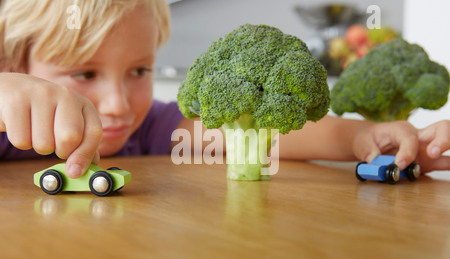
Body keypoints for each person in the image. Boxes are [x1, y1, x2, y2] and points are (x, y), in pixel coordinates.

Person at [0, 0, 448, 179]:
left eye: (139, 71)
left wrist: (358, 140)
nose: (118, 104)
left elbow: (267, 129)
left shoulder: (153, 126)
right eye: (85, 74)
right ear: (15, 66)